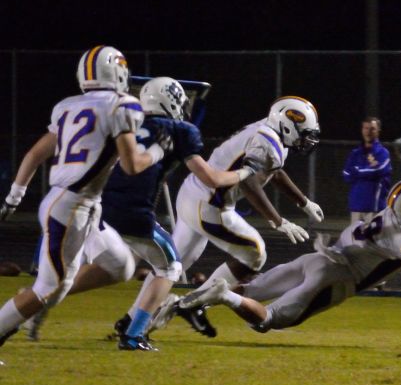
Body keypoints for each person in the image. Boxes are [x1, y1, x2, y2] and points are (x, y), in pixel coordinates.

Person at [21, 77, 259, 349]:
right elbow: (211, 178)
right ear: (171, 101)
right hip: (132, 213)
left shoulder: (125, 120)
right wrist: (245, 171)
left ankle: (34, 300)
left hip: (95, 208)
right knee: (170, 267)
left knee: (97, 270)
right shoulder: (181, 130)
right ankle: (133, 334)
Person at [160, 178, 401, 335]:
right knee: (268, 321)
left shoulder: (392, 213)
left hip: (319, 257)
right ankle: (220, 295)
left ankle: (194, 302)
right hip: (337, 277)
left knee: (254, 290)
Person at [0, 45, 171, 350]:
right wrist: (158, 150)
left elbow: (35, 153)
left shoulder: (67, 106)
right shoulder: (122, 105)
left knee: (121, 265)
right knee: (51, 287)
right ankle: (12, 319)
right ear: (118, 71)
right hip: (71, 207)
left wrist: (15, 195)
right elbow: (132, 166)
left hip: (78, 204)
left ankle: (28, 305)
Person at [144, 96, 325, 335]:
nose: (306, 139)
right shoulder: (266, 139)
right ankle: (192, 302)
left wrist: (304, 202)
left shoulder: (271, 132)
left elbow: (275, 171)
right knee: (255, 253)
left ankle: (133, 320)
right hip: (210, 202)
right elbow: (250, 182)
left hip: (194, 193)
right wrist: (278, 221)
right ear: (287, 123)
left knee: (171, 265)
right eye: (303, 132)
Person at [342, 116, 391, 224]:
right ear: (362, 130)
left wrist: (357, 171)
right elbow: (346, 174)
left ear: (378, 131)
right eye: (366, 128)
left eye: (372, 129)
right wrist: (368, 170)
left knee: (374, 240)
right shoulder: (355, 153)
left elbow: (379, 170)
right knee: (355, 240)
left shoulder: (383, 152)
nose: (368, 132)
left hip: (375, 206)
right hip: (356, 205)